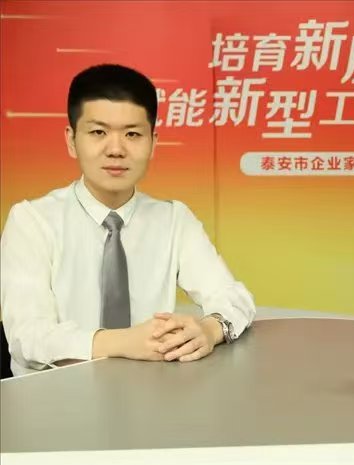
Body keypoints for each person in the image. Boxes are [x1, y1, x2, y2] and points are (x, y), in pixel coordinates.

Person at [0, 64, 255, 376]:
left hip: (149, 394)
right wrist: (124, 342)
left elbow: (234, 298)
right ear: (71, 140)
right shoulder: (31, 221)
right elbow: (27, 338)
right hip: (50, 397)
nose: (116, 149)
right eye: (98, 132)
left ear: (153, 143)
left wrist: (209, 329)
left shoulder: (173, 219)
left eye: (132, 134)